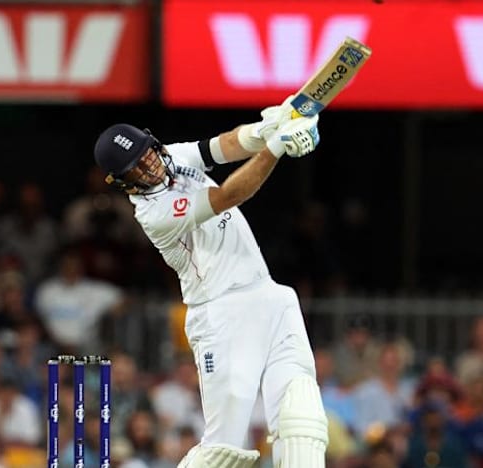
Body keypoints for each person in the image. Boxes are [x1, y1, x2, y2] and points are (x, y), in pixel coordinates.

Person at [93, 100, 325, 467]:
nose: (148, 166)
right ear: (123, 183)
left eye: (145, 154)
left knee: (302, 420)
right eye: (134, 168)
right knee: (224, 452)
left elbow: (224, 145)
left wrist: (265, 129)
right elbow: (228, 196)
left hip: (269, 295)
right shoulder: (154, 213)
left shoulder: (170, 156)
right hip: (221, 315)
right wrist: (277, 146)